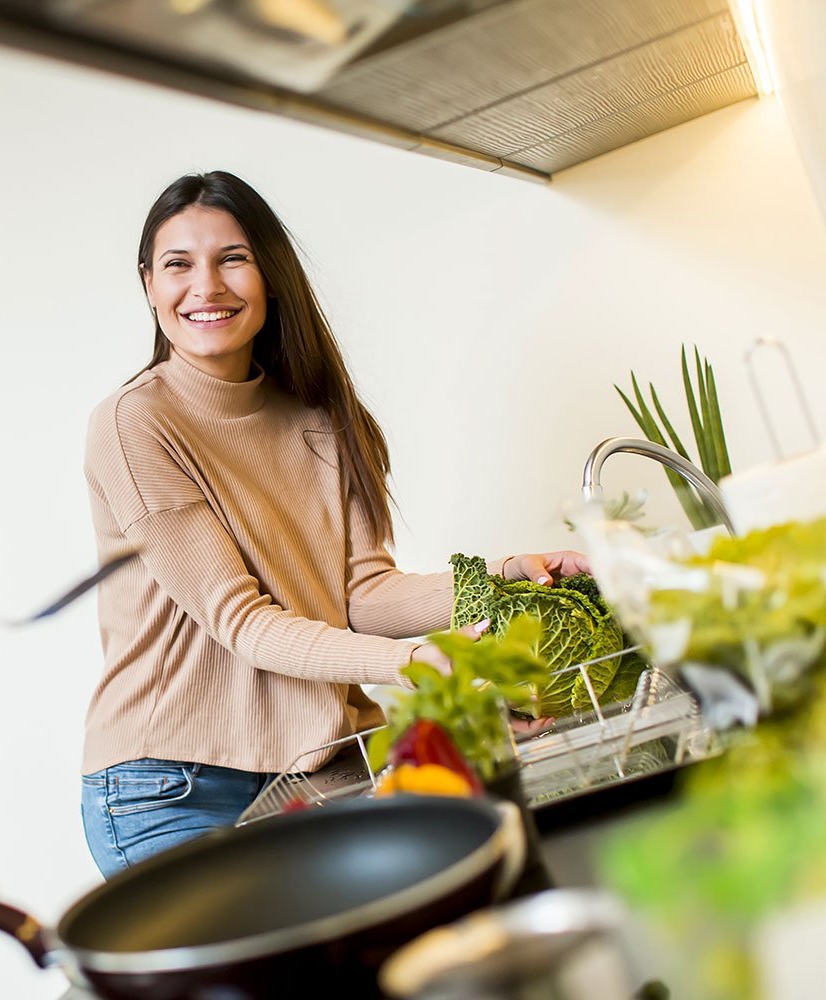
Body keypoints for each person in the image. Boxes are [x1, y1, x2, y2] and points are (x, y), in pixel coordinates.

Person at [79, 170, 589, 879]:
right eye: (178, 265)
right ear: (148, 284)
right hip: (174, 792)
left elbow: (362, 597)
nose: (206, 287)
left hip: (320, 765)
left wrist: (503, 580)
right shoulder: (135, 422)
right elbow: (242, 622)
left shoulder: (319, 418)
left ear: (271, 274)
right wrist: (414, 667)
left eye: (233, 258)